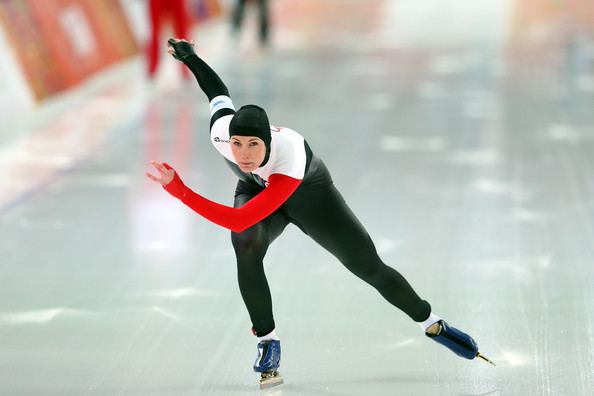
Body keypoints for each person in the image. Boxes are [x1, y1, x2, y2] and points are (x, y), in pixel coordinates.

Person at [146, 38, 494, 388]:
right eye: (237, 144)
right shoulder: (221, 132)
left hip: (309, 195)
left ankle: (430, 321)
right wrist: (191, 58)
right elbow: (218, 94)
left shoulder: (289, 157)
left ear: (269, 141)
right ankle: (268, 342)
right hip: (257, 189)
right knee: (246, 245)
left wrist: (178, 189)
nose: (244, 154)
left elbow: (238, 218)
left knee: (368, 267)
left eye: (254, 144)